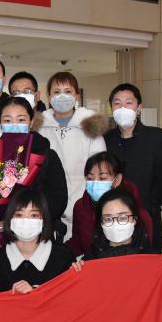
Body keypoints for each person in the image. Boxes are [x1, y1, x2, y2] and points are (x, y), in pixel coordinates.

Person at [104, 83, 162, 250]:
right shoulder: (106, 140)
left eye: (128, 102)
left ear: (139, 107)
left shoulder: (156, 138)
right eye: (117, 103)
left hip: (147, 218)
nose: (123, 108)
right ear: (112, 108)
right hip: (114, 221)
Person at [35, 71, 107, 239]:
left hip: (84, 206)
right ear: (48, 96)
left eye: (68, 91)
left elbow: (99, 170)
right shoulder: (39, 128)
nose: (62, 96)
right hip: (49, 209)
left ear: (77, 96)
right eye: (56, 92)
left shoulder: (90, 128)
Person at [0, 96, 68, 236]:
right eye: (7, 120)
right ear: (0, 123)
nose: (14, 125)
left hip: (41, 231)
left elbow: (59, 199)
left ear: (31, 122)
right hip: (4, 232)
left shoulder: (48, 156)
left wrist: (32, 220)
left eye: (21, 120)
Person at [0, 188, 74, 293]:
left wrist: (35, 292)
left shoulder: (63, 257)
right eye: (19, 215)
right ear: (9, 219)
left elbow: (67, 299)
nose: (26, 221)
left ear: (44, 220)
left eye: (34, 215)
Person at [67, 152, 153, 257]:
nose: (95, 183)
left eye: (102, 178)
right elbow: (77, 244)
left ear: (117, 180)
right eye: (90, 178)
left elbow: (146, 249)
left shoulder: (137, 211)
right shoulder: (81, 207)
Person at [84, 187, 154, 260]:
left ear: (134, 219)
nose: (115, 224)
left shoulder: (151, 257)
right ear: (101, 223)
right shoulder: (91, 256)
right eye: (108, 219)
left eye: (122, 218)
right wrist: (79, 266)